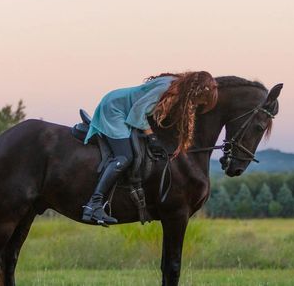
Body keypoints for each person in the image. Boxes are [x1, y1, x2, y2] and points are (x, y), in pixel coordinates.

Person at [81, 71, 219, 225]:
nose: (197, 104)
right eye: (200, 100)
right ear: (195, 91)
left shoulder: (176, 85)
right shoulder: (166, 89)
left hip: (123, 107)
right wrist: (151, 137)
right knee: (124, 157)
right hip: (114, 108)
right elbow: (137, 113)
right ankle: (94, 204)